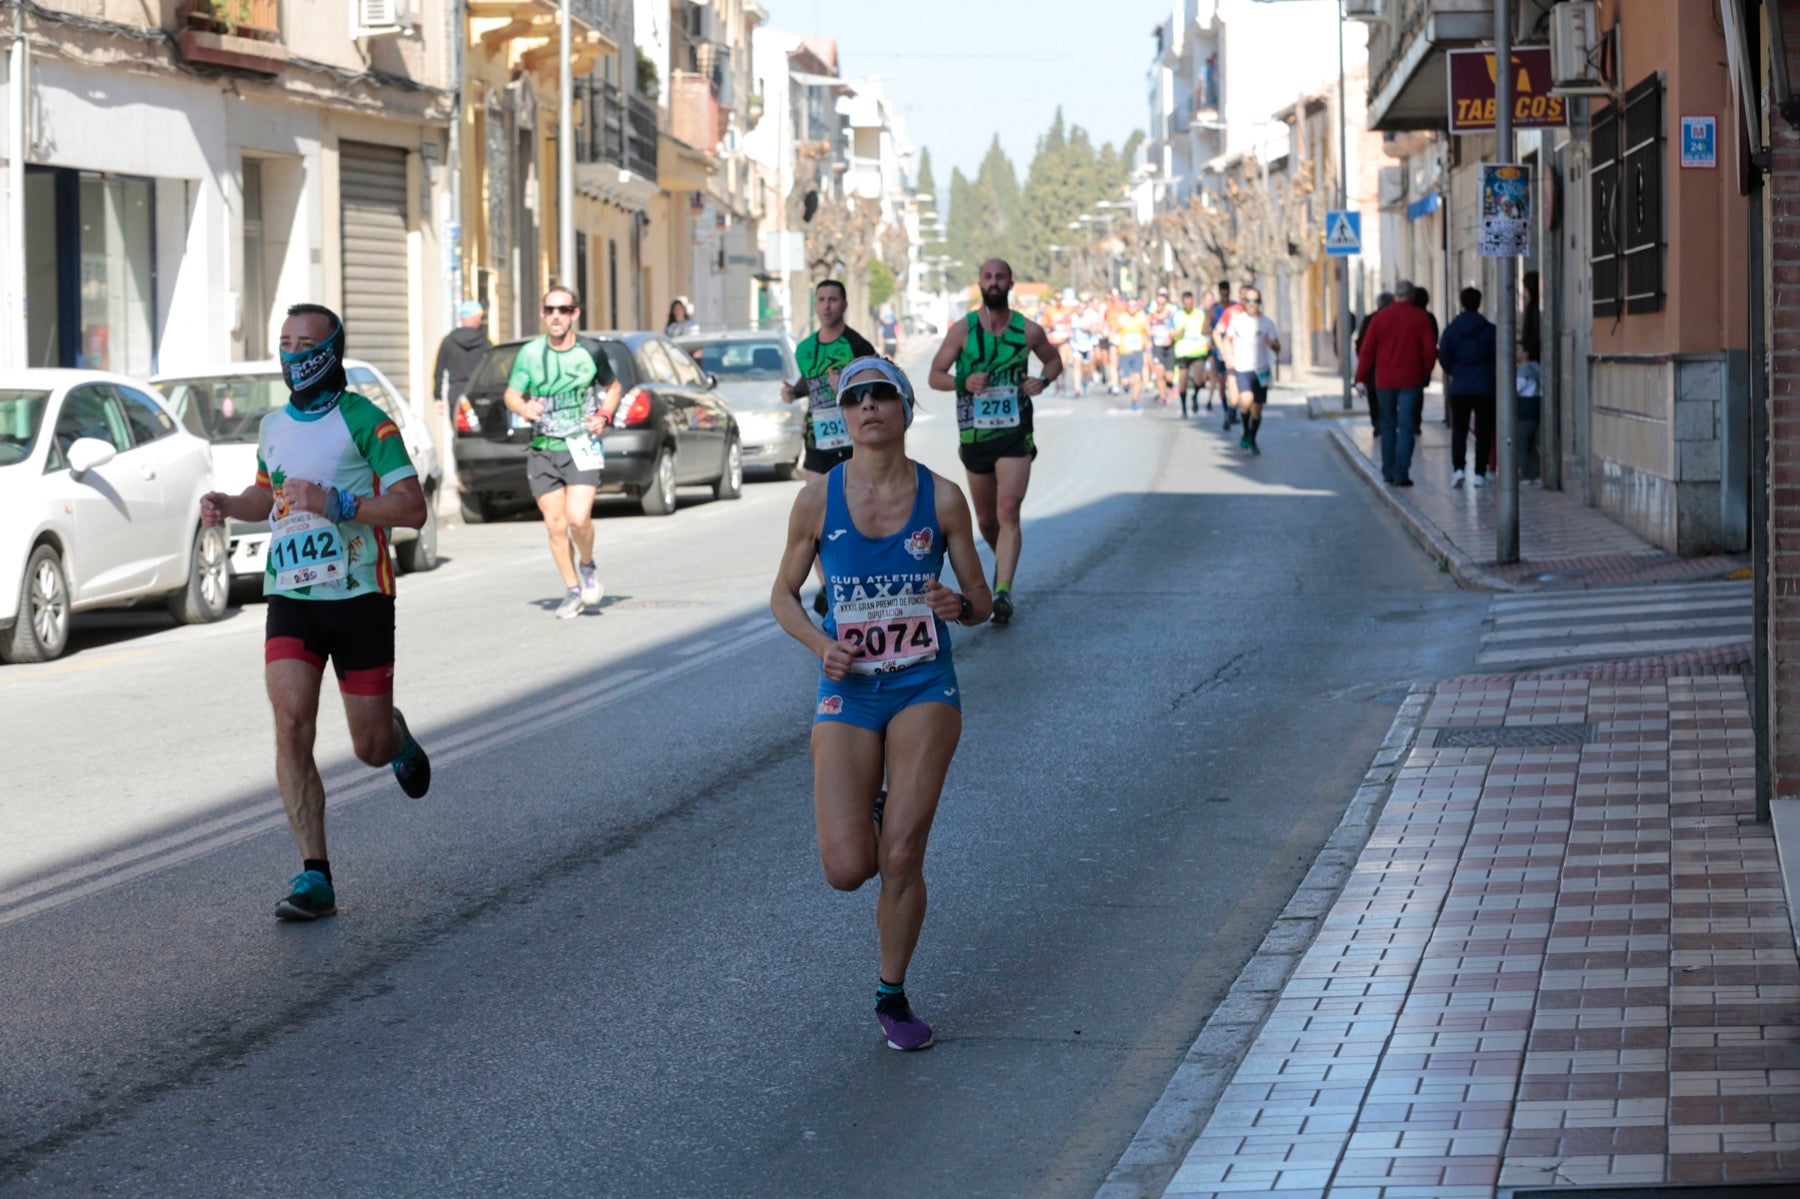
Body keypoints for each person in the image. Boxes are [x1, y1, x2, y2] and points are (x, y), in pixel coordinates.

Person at [771, 357, 993, 1052]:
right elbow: (782, 594)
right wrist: (818, 642)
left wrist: (956, 605)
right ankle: (873, 801)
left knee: (901, 852)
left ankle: (891, 994)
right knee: (847, 868)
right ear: (842, 415)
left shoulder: (945, 498)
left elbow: (982, 603)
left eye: (881, 396)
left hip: (924, 682)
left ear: (903, 408)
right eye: (854, 398)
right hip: (849, 684)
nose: (868, 407)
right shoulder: (817, 500)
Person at [199, 303, 433, 921]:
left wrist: (336, 502)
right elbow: (265, 493)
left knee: (370, 746)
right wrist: (229, 501)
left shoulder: (366, 421)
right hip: (293, 597)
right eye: (285, 342)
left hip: (359, 596)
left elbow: (411, 508)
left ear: (331, 349)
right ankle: (315, 876)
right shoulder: (275, 424)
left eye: (306, 342)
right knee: (291, 724)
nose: (294, 353)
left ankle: (397, 736)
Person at [928, 257, 1062, 627]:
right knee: (987, 518)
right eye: (987, 276)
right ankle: (1004, 559)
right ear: (980, 283)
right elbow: (934, 376)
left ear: (1010, 283)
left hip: (1015, 431)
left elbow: (1053, 361)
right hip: (974, 434)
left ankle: (1002, 589)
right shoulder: (963, 330)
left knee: (1007, 510)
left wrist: (1042, 381)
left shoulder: (1027, 331)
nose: (993, 282)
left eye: (1000, 276)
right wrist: (963, 382)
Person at [505, 285, 623, 618]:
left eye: (563, 310)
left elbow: (612, 388)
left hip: (581, 444)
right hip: (543, 449)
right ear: (543, 315)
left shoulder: (590, 351)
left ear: (575, 314)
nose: (556, 316)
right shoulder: (530, 353)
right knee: (555, 526)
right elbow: (512, 394)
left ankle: (587, 565)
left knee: (578, 518)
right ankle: (572, 589)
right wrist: (524, 407)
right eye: (549, 310)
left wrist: (603, 415)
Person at [781, 280, 879, 614]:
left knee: (856, 515)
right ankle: (828, 586)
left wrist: (850, 381)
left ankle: (861, 578)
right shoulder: (805, 348)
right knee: (817, 516)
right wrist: (794, 392)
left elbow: (879, 382)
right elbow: (810, 380)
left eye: (833, 300)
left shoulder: (857, 344)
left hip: (854, 441)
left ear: (844, 304)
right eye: (821, 300)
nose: (826, 306)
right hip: (818, 439)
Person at [1353, 278, 1437, 487]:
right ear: (1412, 296)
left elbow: (1367, 350)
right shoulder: (1421, 317)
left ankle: (1388, 471)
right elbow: (1430, 350)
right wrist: (1425, 372)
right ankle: (1401, 474)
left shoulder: (1381, 317)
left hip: (1385, 380)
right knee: (1407, 426)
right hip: (1411, 379)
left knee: (1387, 425)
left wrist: (1360, 378)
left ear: (1396, 295)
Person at [1436, 286, 1498, 489]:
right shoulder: (1489, 329)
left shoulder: (1452, 329)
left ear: (1462, 303)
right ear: (1479, 303)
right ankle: (1480, 472)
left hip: (1460, 386)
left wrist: (1454, 371)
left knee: (1459, 430)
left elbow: (1443, 355)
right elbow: (1498, 356)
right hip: (1485, 387)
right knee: (1484, 430)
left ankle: (1458, 470)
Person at [1221, 285, 1280, 454]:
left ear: (1260, 303)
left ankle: (1252, 438)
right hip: (1242, 367)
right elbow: (1226, 339)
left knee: (1258, 410)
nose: (1251, 304)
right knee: (1246, 401)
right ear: (1244, 302)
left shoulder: (1267, 323)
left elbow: (1277, 347)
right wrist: (1228, 356)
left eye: (1255, 301)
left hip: (1261, 369)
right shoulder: (1237, 320)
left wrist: (1273, 345)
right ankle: (1246, 432)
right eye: (1248, 300)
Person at [432, 300, 491, 412]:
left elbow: (438, 372)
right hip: (480, 397)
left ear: (461, 318)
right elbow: (494, 370)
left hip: (456, 396)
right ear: (477, 317)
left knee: (458, 429)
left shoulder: (448, 341)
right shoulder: (486, 343)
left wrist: (438, 397)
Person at [1356, 291, 1393, 433]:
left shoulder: (1370, 319)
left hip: (1373, 368)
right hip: (1384, 368)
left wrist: (1362, 370)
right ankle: (1381, 422)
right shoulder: (1375, 319)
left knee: (1373, 396)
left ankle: (1377, 422)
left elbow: (1361, 345)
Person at [1172, 289, 1212, 418]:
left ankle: (1195, 395)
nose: (1189, 305)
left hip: (1198, 351)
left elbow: (1206, 330)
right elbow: (1172, 333)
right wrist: (1179, 332)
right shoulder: (1177, 315)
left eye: (1191, 303)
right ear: (1182, 303)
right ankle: (1184, 407)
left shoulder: (1200, 314)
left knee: (1199, 380)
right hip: (1183, 352)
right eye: (1186, 303)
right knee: (1182, 381)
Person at [1213, 282, 1243, 428]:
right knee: (1223, 383)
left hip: (1244, 357)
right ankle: (1228, 411)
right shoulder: (1224, 311)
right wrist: (1223, 350)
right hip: (1223, 353)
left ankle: (1232, 412)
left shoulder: (1242, 310)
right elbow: (1214, 331)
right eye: (1222, 294)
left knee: (1241, 391)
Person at [1113, 296, 1150, 409]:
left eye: (1135, 306)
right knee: (1125, 381)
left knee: (1138, 378)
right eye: (1130, 306)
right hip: (1124, 352)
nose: (1133, 308)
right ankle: (1125, 386)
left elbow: (1148, 331)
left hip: (1138, 352)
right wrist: (1114, 341)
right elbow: (1113, 331)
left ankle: (1134, 401)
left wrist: (1148, 342)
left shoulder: (1142, 316)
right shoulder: (1122, 317)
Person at [1516, 342, 1542, 485]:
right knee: (1532, 445)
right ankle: (1536, 474)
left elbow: (1515, 389)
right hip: (1536, 410)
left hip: (1524, 411)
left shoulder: (1524, 371)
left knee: (1522, 444)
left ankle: (1524, 474)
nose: (1515, 353)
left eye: (1518, 349)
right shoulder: (1537, 367)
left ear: (1526, 353)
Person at [1148, 288, 1178, 405]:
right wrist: (1151, 332)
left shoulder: (1171, 314)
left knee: (1169, 376)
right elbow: (1146, 328)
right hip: (1157, 346)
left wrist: (1170, 336)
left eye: (1162, 303)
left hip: (1169, 346)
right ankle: (1163, 397)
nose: (1160, 305)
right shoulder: (1151, 314)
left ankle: (1171, 385)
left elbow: (1176, 328)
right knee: (1159, 372)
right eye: (1158, 303)